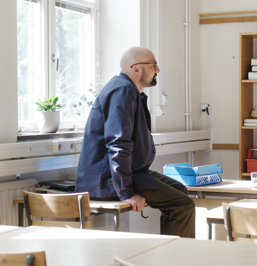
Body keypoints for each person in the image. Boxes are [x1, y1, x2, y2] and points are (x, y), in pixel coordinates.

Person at [75, 47, 195, 238]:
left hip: (127, 173)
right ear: (136, 68)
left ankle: (171, 248)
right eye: (153, 64)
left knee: (179, 190)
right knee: (182, 204)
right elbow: (118, 143)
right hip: (107, 180)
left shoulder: (130, 91)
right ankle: (175, 263)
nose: (158, 69)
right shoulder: (122, 91)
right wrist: (126, 192)